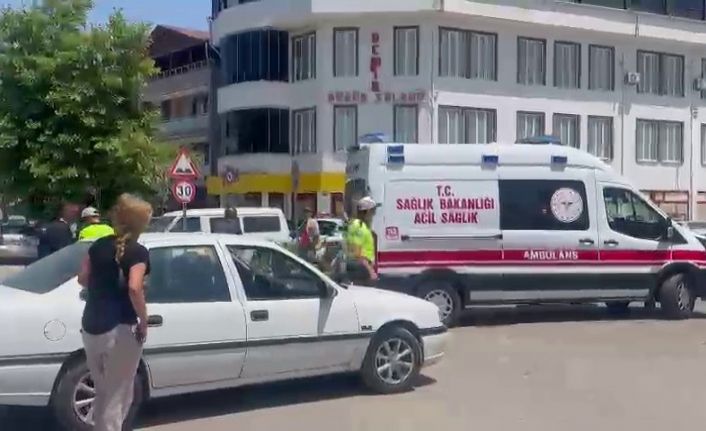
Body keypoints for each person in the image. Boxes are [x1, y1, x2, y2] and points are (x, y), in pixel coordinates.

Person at [77, 194, 152, 431]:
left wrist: (104, 283)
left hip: (91, 325)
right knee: (116, 395)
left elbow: (82, 279)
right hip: (120, 329)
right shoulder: (138, 252)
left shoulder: (97, 246)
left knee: (105, 392)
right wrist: (144, 321)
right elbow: (134, 287)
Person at [345, 196, 378, 284]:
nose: (374, 215)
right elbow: (356, 253)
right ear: (367, 212)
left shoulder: (363, 226)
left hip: (362, 269)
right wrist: (370, 271)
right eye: (373, 211)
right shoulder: (358, 226)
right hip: (360, 271)